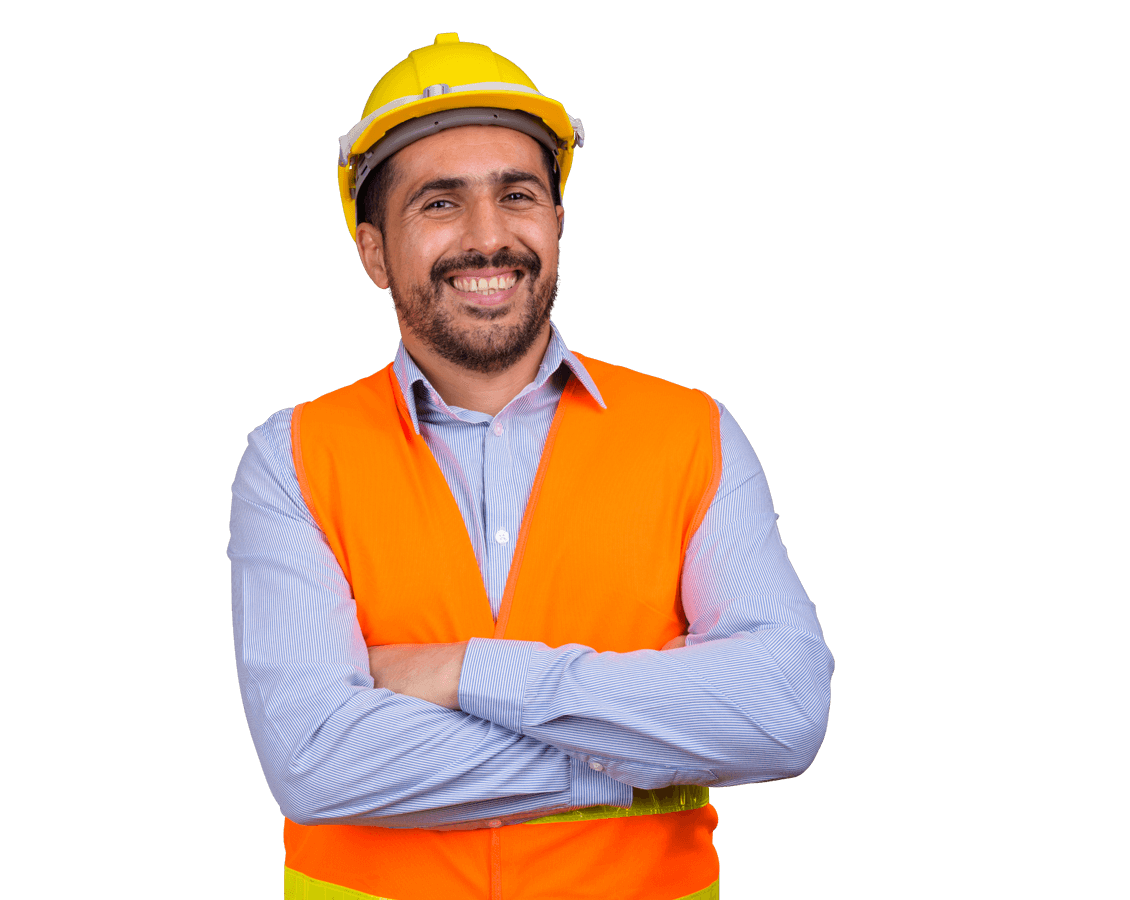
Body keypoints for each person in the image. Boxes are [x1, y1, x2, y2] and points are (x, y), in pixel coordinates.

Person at [229, 33, 834, 900]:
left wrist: (461, 672)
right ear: (372, 253)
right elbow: (317, 762)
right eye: (439, 204)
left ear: (556, 222)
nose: (488, 238)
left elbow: (781, 716)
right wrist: (644, 757)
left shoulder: (693, 431)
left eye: (518, 195)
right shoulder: (290, 457)